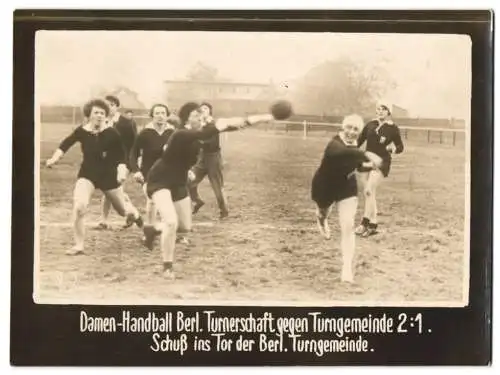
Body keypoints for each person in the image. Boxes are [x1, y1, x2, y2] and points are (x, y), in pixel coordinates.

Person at [142, 102, 275, 279]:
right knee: (172, 222)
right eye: (197, 115)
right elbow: (212, 130)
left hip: (179, 181)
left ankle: (154, 230)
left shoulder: (198, 133)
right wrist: (218, 124)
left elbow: (233, 125)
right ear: (188, 118)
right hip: (160, 180)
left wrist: (263, 117)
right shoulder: (181, 133)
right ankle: (167, 266)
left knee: (184, 227)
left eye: (202, 115)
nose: (202, 118)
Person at [45, 99, 143, 255]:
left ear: (106, 116)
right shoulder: (82, 131)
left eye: (102, 113)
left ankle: (136, 215)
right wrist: (54, 159)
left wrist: (121, 170)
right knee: (79, 206)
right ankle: (78, 245)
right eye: (96, 112)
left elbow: (122, 155)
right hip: (88, 174)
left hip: (109, 176)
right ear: (89, 114)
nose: (99, 115)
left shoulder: (112, 133)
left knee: (124, 211)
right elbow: (65, 144)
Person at [312, 114, 383, 283]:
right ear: (343, 127)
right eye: (349, 127)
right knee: (323, 212)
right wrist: (366, 155)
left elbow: (357, 166)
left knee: (348, 224)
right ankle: (321, 220)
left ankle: (347, 269)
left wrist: (372, 165)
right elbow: (341, 153)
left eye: (356, 129)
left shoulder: (355, 147)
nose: (351, 132)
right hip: (325, 187)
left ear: (359, 132)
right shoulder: (334, 143)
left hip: (346, 188)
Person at [355, 101, 405, 237]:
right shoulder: (371, 124)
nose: (381, 111)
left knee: (369, 190)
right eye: (379, 109)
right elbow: (359, 141)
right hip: (367, 161)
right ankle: (373, 224)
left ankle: (364, 223)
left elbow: (400, 147)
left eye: (384, 109)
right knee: (369, 193)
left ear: (388, 112)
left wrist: (393, 149)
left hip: (381, 162)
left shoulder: (393, 128)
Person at [129, 104, 175, 237]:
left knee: (171, 201)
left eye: (163, 113)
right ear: (152, 116)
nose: (160, 116)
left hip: (168, 173)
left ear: (167, 116)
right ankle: (149, 230)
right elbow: (133, 153)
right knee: (152, 200)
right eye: (157, 113)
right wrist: (136, 170)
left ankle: (172, 231)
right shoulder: (145, 133)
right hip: (149, 173)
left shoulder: (172, 133)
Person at [97, 95, 138, 230]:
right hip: (107, 162)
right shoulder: (101, 121)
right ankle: (129, 213)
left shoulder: (126, 122)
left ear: (117, 107)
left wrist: (131, 163)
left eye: (111, 105)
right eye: (106, 105)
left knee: (112, 188)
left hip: (123, 161)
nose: (108, 108)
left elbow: (135, 144)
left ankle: (130, 213)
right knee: (109, 190)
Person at [188, 102, 229, 218]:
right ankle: (197, 201)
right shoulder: (199, 124)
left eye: (206, 108)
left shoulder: (213, 124)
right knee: (189, 181)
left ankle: (224, 211)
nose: (203, 110)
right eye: (201, 109)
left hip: (213, 157)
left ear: (210, 111)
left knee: (217, 185)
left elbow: (211, 143)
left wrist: (197, 141)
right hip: (202, 157)